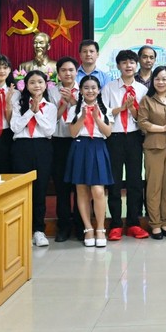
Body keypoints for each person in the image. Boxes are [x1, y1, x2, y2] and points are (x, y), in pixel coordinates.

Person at [103, 49, 150, 240]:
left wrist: (133, 110)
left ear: (136, 65)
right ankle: (115, 223)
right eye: (124, 62)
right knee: (114, 181)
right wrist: (121, 108)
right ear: (118, 66)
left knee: (134, 181)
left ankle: (133, 222)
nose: (128, 65)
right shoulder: (109, 88)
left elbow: (144, 118)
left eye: (132, 62)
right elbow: (103, 113)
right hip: (114, 137)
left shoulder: (142, 90)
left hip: (134, 137)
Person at [9, 70, 57, 247]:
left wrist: (37, 112)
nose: (36, 86)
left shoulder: (50, 107)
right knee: (22, 190)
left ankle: (39, 230)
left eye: (40, 82)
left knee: (40, 189)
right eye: (32, 83)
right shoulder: (18, 104)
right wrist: (30, 111)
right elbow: (15, 127)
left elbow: (49, 130)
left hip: (42, 147)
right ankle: (22, 229)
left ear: (46, 85)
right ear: (26, 86)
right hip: (21, 147)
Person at [65, 75, 114, 248]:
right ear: (81, 90)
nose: (90, 91)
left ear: (99, 90)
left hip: (98, 147)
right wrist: (82, 117)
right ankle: (88, 228)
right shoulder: (74, 109)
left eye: (93, 87)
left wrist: (96, 118)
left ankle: (100, 228)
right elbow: (72, 133)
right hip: (80, 147)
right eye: (86, 87)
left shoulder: (105, 108)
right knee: (82, 190)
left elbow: (107, 133)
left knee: (98, 191)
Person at [138, 66, 166, 240]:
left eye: (164, 79)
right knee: (154, 186)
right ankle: (155, 224)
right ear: (152, 81)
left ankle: (165, 221)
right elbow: (143, 123)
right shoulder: (147, 100)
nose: (161, 82)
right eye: (157, 79)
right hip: (153, 147)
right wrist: (162, 128)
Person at [47, 56, 81, 242]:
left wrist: (74, 100)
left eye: (71, 70)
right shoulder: (51, 91)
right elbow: (51, 118)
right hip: (59, 142)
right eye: (64, 70)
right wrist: (64, 102)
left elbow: (86, 112)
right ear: (58, 73)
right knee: (61, 186)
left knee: (80, 186)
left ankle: (81, 224)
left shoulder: (85, 87)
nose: (68, 73)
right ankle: (64, 227)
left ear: (77, 72)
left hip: (78, 141)